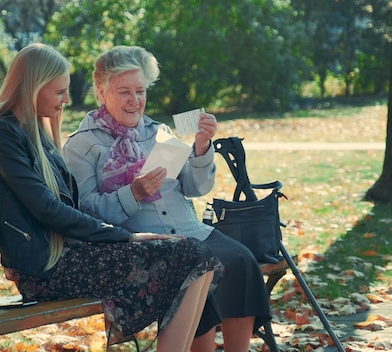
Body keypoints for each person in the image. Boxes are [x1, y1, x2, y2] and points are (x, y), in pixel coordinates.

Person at [0, 42, 222, 352]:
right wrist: (128, 238)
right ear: (35, 87)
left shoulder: (35, 134)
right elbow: (48, 210)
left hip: (70, 255)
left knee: (199, 255)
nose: (67, 100)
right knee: (190, 255)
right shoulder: (2, 135)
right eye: (60, 92)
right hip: (44, 269)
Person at [63, 45, 271, 352]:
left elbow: (194, 186)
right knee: (198, 269)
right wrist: (133, 193)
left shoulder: (158, 132)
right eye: (124, 92)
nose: (134, 101)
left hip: (191, 231)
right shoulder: (82, 145)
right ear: (101, 91)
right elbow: (86, 213)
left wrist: (201, 147)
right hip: (147, 241)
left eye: (140, 91)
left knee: (240, 260)